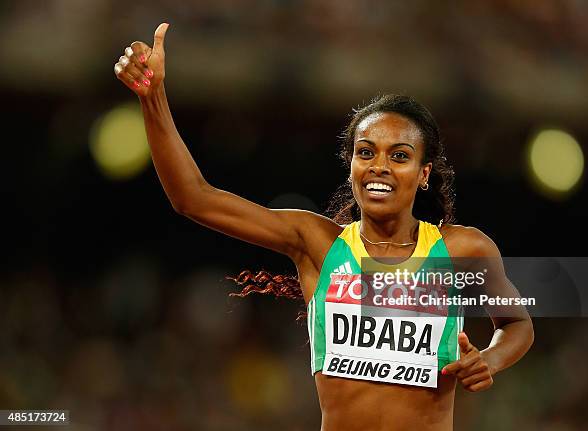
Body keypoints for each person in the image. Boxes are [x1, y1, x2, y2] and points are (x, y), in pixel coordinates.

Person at [114, 23, 534, 431]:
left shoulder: (463, 250)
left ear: (424, 173)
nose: (380, 166)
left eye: (400, 156)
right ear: (351, 164)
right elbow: (193, 198)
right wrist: (153, 98)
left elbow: (517, 324)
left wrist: (490, 359)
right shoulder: (317, 244)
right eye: (365, 152)